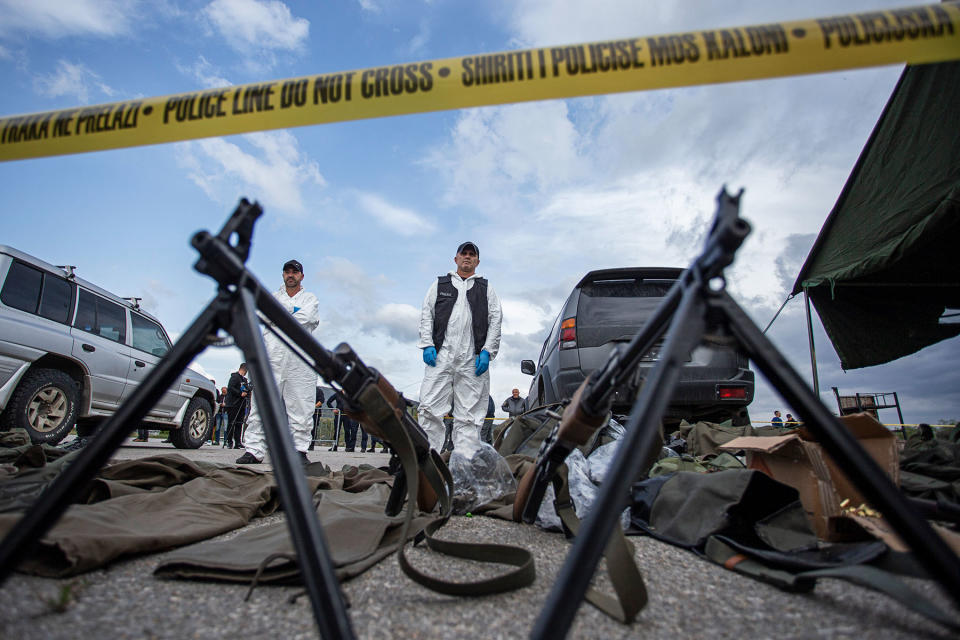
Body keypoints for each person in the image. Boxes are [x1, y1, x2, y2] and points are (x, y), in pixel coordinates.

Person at [417, 241, 502, 453]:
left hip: (472, 360)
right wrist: (428, 344)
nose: (467, 257)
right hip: (441, 356)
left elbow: (496, 320)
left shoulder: (486, 289)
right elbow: (427, 315)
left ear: (477, 261)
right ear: (455, 259)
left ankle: (464, 463)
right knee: (430, 409)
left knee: (470, 415)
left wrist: (487, 351)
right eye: (463, 254)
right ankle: (428, 459)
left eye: (472, 255)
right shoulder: (440, 285)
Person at [236, 260, 320, 466]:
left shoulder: (310, 298)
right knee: (261, 403)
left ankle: (298, 450)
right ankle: (254, 450)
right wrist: (288, 315)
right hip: (272, 356)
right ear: (283, 275)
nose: (291, 275)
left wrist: (278, 317)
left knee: (301, 405)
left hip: (299, 359)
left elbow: (308, 317)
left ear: (302, 275)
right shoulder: (272, 298)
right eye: (287, 272)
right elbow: (264, 316)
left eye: (295, 272)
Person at [224, 363, 249, 449]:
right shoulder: (235, 377)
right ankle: (229, 441)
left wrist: (246, 392)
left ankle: (238, 442)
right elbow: (230, 387)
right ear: (244, 369)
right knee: (231, 423)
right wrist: (240, 393)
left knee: (239, 423)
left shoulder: (245, 380)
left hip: (241, 404)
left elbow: (247, 390)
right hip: (233, 404)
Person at [309, 386, 325, 451]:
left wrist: (313, 407)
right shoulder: (307, 389)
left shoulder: (318, 390)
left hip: (315, 413)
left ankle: (311, 445)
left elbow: (321, 400)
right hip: (306, 412)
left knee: (313, 429)